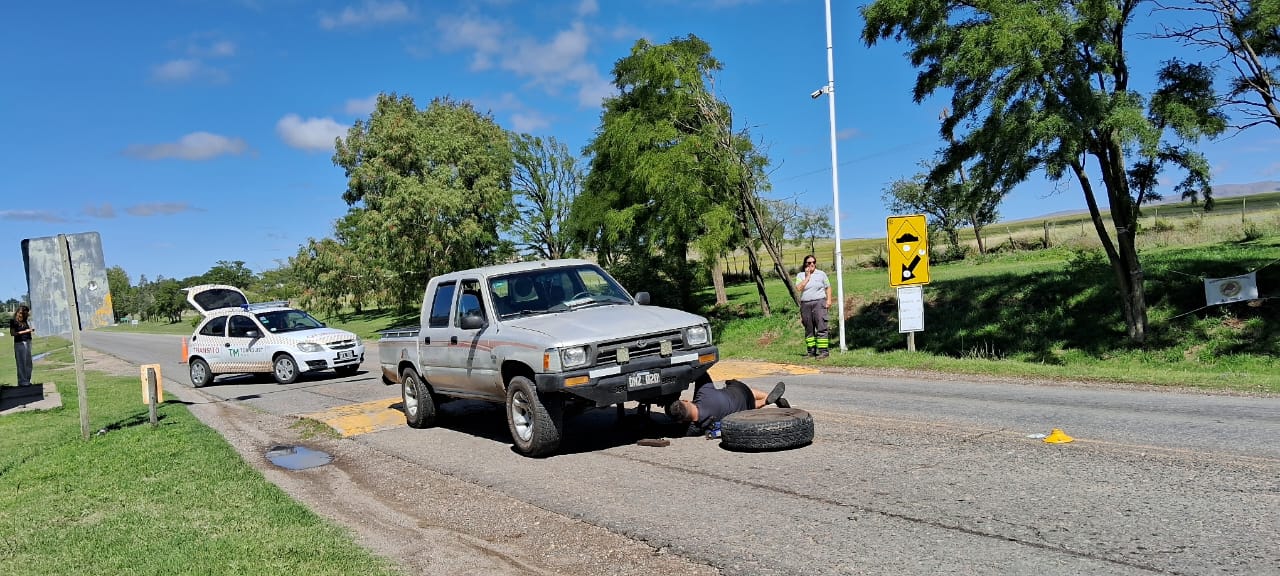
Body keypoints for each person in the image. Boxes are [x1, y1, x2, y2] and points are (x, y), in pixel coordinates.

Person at [666, 378, 790, 437]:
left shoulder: (696, 428)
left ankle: (764, 402)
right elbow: (701, 374)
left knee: (746, 406)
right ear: (686, 401)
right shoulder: (703, 393)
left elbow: (675, 430)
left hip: (744, 410)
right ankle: (768, 397)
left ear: (682, 421)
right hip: (741, 392)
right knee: (737, 387)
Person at [794, 254, 833, 358]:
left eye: (814, 262)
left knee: (821, 327)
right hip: (806, 304)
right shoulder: (800, 275)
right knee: (808, 328)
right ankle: (811, 352)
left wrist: (829, 300)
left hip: (819, 303)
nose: (812, 264)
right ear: (805, 264)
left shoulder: (821, 274)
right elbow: (799, 288)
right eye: (809, 262)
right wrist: (807, 277)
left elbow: (828, 287)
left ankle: (823, 352)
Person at [10, 305, 34, 387]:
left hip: (28, 341)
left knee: (28, 363)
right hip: (20, 343)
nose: (27, 314)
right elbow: (13, 333)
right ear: (21, 313)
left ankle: (27, 380)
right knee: (21, 363)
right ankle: (22, 381)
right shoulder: (13, 321)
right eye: (25, 313)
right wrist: (26, 331)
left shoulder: (25, 320)